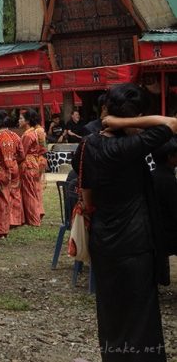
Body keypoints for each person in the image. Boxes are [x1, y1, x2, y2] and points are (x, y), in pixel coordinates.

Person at [81, 83, 177, 361]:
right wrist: (123, 121)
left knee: (110, 308)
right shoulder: (135, 144)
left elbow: (87, 196)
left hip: (104, 239)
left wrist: (112, 120)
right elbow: (171, 123)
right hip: (136, 241)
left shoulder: (89, 144)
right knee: (142, 312)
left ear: (105, 109)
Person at [0, 109, 23, 236]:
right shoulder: (15, 135)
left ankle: (0, 229)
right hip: (13, 168)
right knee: (14, 195)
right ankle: (14, 220)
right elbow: (21, 154)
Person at [18, 109, 47, 226]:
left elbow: (22, 153)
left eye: (21, 119)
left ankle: (34, 220)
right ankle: (36, 216)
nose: (18, 121)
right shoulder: (34, 132)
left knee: (29, 192)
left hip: (28, 164)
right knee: (33, 190)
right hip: (34, 163)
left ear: (27, 121)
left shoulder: (28, 134)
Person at [151, 138, 177, 256]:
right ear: (169, 157)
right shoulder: (167, 179)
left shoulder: (152, 174)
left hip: (156, 229)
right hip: (168, 230)